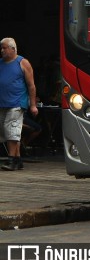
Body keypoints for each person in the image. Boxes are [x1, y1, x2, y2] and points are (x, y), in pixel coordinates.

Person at [0, 37, 38, 171]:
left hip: (17, 102)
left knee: (11, 129)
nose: (2, 50)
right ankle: (18, 159)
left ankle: (11, 160)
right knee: (7, 131)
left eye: (4, 48)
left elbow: (31, 86)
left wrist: (32, 105)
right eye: (1, 48)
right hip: (2, 103)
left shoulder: (22, 62)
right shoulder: (1, 63)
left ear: (13, 48)